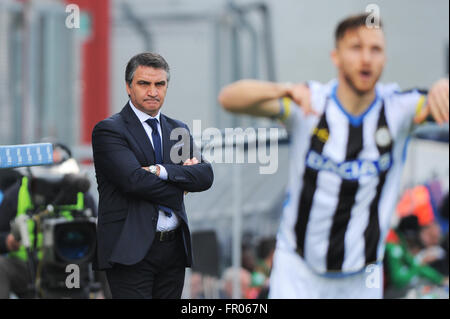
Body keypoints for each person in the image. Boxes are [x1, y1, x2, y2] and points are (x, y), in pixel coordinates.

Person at [218, 13, 449, 298]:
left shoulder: (400, 110)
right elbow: (229, 98)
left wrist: (443, 85)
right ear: (336, 56)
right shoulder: (310, 104)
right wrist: (284, 88)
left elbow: (441, 100)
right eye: (356, 47)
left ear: (385, 58)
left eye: (375, 49)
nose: (366, 58)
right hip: (299, 272)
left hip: (362, 277)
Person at [92, 52, 214, 299]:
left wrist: (163, 171)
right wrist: (183, 182)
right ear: (128, 87)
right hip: (130, 250)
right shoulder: (109, 131)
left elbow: (205, 175)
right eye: (144, 84)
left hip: (173, 250)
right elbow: (134, 181)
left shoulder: (176, 129)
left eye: (160, 84)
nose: (153, 91)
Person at [0, 144, 97, 298]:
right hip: (26, 267)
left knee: (113, 263)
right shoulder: (18, 193)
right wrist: (7, 241)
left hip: (72, 266)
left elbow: (99, 235)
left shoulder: (81, 194)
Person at [384, 215, 448, 298]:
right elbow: (398, 281)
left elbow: (418, 266)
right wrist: (419, 263)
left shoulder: (402, 246)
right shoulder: (394, 246)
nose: (435, 242)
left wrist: (440, 279)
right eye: (432, 236)